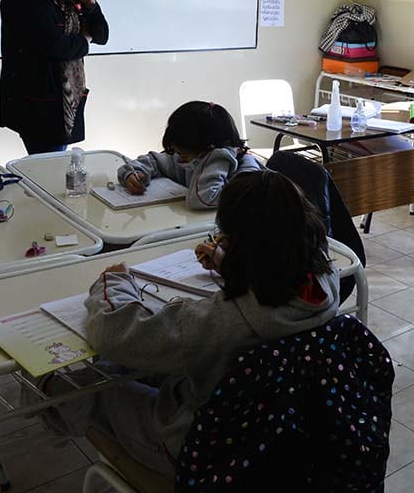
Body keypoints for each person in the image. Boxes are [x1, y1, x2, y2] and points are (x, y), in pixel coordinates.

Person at [44, 171, 340, 478]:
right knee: (130, 370)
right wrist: (230, 261)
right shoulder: (324, 280)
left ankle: (41, 401)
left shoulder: (220, 321)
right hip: (274, 434)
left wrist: (114, 282)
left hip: (200, 450)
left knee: (88, 387)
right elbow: (275, 271)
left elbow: (113, 332)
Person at [0, 0, 110, 155]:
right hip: (39, 101)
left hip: (65, 97)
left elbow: (102, 35)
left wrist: (90, 3)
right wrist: (84, 39)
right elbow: (54, 47)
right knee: (47, 165)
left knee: (53, 163)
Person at [117, 101, 260, 210]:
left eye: (182, 153)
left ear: (208, 151)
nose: (178, 159)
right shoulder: (188, 158)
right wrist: (132, 173)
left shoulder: (248, 177)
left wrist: (217, 157)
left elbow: (202, 199)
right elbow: (154, 160)